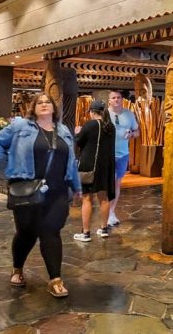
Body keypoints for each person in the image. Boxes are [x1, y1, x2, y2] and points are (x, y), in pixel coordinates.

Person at [0, 92, 82, 298]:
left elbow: (71, 161)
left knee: (51, 231)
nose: (44, 104)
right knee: (26, 233)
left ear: (54, 107)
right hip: (27, 190)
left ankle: (55, 280)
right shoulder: (21, 126)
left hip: (57, 191)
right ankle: (17, 268)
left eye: (48, 102)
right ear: (33, 107)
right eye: (39, 102)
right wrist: (9, 169)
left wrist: (77, 187)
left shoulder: (63, 130)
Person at [74, 100, 116, 241]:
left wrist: (77, 132)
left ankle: (86, 233)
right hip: (105, 166)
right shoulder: (110, 126)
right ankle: (104, 229)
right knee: (103, 197)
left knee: (87, 198)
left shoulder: (90, 125)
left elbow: (78, 142)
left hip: (89, 166)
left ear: (92, 112)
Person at [107, 90, 139, 226]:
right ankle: (106, 212)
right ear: (109, 101)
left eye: (118, 97)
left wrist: (131, 134)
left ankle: (111, 212)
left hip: (122, 154)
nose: (116, 99)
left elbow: (137, 132)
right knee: (107, 184)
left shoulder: (129, 114)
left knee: (117, 183)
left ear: (122, 99)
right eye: (113, 98)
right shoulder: (104, 114)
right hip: (107, 154)